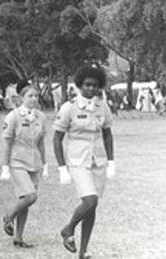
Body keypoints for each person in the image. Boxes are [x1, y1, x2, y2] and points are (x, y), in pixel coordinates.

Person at [53, 65, 115, 259]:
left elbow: (107, 134)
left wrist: (112, 160)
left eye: (95, 86)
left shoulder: (102, 106)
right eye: (87, 85)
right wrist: (62, 167)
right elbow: (57, 139)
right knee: (90, 200)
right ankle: (68, 229)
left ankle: (83, 251)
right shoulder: (69, 107)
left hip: (98, 160)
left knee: (92, 207)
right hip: (77, 161)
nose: (91, 89)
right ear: (80, 85)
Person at [0, 79, 48, 248]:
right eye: (30, 96)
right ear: (21, 98)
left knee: (25, 200)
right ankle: (9, 216)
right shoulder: (13, 116)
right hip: (17, 161)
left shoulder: (41, 116)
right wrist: (5, 166)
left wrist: (45, 162)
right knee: (30, 196)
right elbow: (7, 141)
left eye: (36, 96)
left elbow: (41, 142)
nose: (34, 99)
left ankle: (18, 237)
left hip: (34, 161)